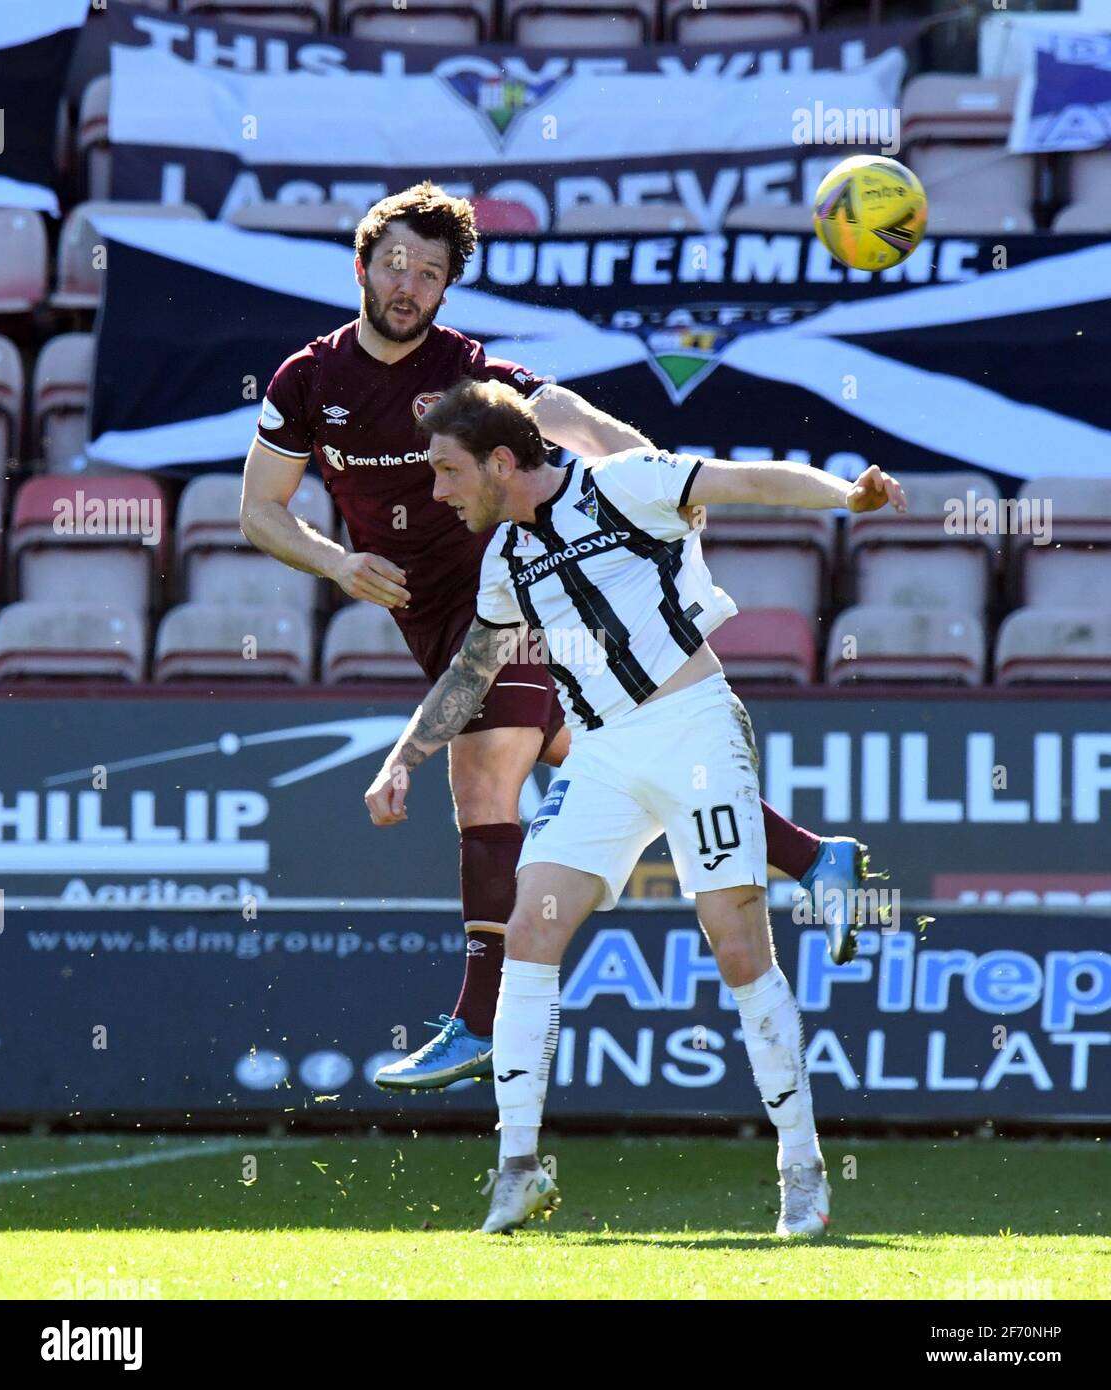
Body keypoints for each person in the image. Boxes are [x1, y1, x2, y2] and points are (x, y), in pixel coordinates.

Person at [241, 180, 869, 1096]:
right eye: (395, 264)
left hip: (514, 596)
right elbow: (260, 512)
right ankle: (816, 857)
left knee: (482, 769)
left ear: (449, 286)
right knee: (627, 759)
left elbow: (580, 424)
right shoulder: (308, 381)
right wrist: (337, 565)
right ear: (362, 267)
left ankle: (476, 1021)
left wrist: (664, 488)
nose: (409, 283)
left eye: (430, 270)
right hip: (432, 616)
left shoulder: (469, 377)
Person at [365, 377, 907, 1236]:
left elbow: (749, 478)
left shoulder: (623, 484)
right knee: (529, 927)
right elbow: (472, 670)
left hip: (692, 727)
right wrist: (403, 759)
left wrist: (846, 495)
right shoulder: (506, 558)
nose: (437, 492)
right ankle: (516, 1169)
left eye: (447, 471)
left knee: (735, 945)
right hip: (603, 753)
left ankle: (801, 1169)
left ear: (503, 462)